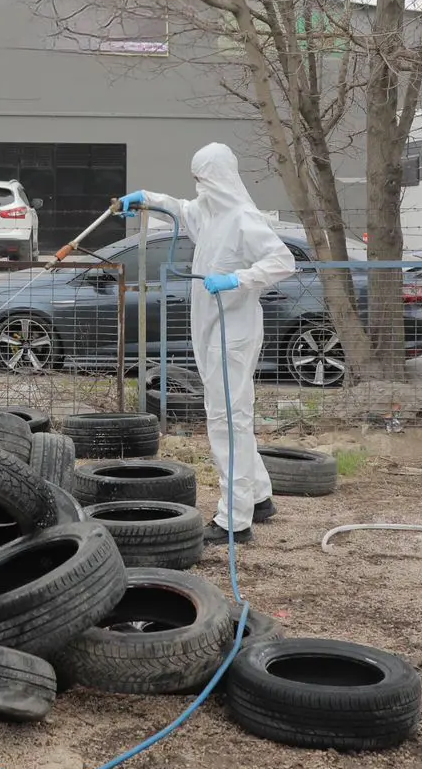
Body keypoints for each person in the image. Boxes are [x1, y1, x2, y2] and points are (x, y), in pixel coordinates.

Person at [121, 143, 296, 547]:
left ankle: (234, 520)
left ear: (217, 178)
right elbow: (181, 209)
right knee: (236, 415)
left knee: (226, 421)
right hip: (212, 329)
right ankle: (259, 497)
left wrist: (240, 279)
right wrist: (146, 199)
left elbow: (281, 261)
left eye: (202, 177)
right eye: (194, 178)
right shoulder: (209, 213)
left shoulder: (241, 218)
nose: (198, 186)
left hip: (232, 334)